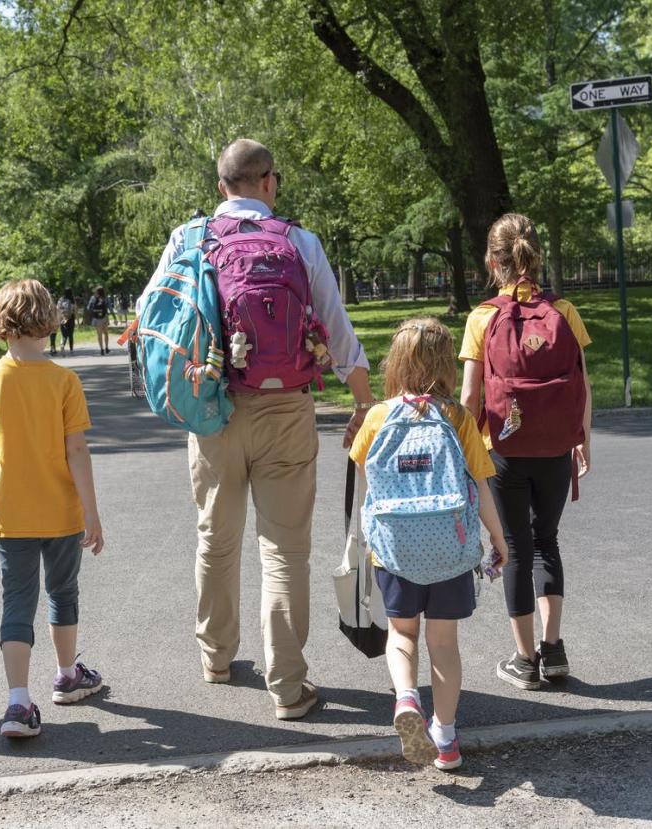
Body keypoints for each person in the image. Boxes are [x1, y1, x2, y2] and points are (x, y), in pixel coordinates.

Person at [140, 138, 376, 720]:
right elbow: (340, 332)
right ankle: (288, 688)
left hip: (214, 407)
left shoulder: (190, 238)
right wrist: (366, 404)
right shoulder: (299, 241)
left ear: (221, 188)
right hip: (287, 410)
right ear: (270, 182)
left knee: (216, 539)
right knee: (286, 551)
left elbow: (151, 312)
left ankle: (217, 657)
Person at [348, 317, 508, 770]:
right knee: (443, 643)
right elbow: (480, 489)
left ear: (395, 363)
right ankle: (446, 736)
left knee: (401, 634)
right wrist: (499, 540)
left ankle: (404, 700)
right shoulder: (457, 418)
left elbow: (368, 481)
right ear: (446, 365)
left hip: (396, 550)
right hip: (451, 551)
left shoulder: (378, 417)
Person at [0, 278, 106, 739]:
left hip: (12, 515)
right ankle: (67, 675)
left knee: (16, 603)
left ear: (0, 324)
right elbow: (77, 452)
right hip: (61, 511)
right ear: (49, 321)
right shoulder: (63, 381)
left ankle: (17, 701)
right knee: (62, 593)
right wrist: (92, 512)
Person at [459, 213, 592, 691]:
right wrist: (582, 440)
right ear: (537, 255)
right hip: (556, 446)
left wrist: (462, 448)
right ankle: (553, 651)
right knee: (547, 542)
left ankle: (523, 660)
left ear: (493, 262)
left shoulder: (482, 318)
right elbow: (582, 384)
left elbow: (471, 397)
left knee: (514, 547)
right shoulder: (566, 311)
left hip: (503, 450)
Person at [51, 288, 77, 356]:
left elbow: (57, 309)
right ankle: (71, 350)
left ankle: (62, 345)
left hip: (62, 319)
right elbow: (75, 309)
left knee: (64, 335)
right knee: (71, 335)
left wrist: (59, 318)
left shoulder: (61, 299)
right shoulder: (72, 299)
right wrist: (77, 319)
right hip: (71, 318)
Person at [85, 287, 111, 355]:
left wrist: (94, 311)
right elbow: (110, 307)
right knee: (106, 333)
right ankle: (106, 347)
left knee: (99, 335)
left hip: (96, 318)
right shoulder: (105, 298)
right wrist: (114, 318)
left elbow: (88, 308)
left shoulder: (92, 298)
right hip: (104, 317)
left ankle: (101, 349)